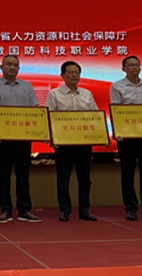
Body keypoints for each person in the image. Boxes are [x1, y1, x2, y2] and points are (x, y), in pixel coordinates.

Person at [0, 55, 42, 224]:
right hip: (4, 138)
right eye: (8, 64)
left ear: (19, 68)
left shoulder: (26, 86)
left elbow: (34, 111)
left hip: (23, 138)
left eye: (15, 65)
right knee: (4, 175)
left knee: (23, 175)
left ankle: (24, 210)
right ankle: (5, 210)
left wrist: (36, 133)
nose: (12, 67)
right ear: (1, 67)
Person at [110, 55, 142, 221]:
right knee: (127, 173)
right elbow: (115, 110)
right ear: (123, 69)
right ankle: (131, 207)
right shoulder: (117, 86)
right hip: (127, 136)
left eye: (137, 65)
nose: (134, 68)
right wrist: (117, 132)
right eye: (130, 65)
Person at [46, 61, 99, 222]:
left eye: (76, 72)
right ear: (62, 75)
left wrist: (100, 136)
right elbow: (49, 118)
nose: (74, 75)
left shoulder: (87, 94)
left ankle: (84, 209)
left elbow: (95, 116)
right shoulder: (54, 94)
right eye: (70, 72)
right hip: (64, 143)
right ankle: (65, 210)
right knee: (63, 178)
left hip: (84, 142)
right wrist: (52, 137)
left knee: (85, 178)